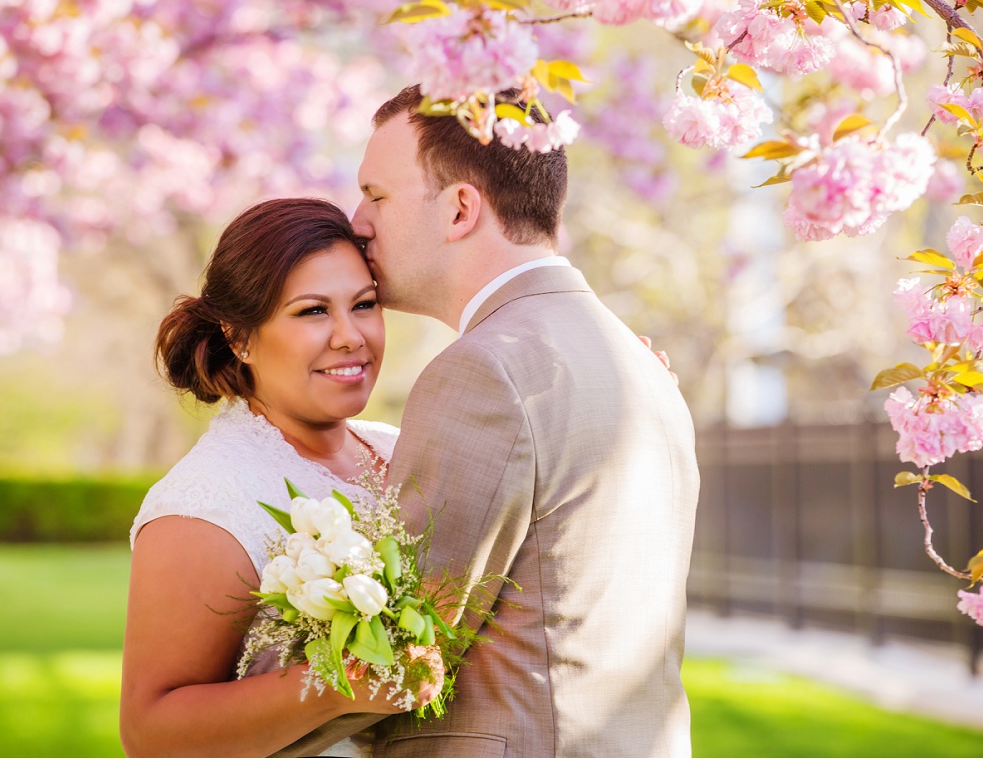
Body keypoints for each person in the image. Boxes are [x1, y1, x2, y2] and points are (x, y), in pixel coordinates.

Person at [343, 85, 700, 757]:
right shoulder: (640, 363)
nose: (356, 219)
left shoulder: (486, 372)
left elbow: (395, 649)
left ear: (459, 209)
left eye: (377, 196)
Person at [121, 198, 440, 757]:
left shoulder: (401, 447)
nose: (350, 336)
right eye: (313, 311)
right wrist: (337, 682)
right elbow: (152, 734)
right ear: (239, 335)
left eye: (364, 304)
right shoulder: (205, 503)